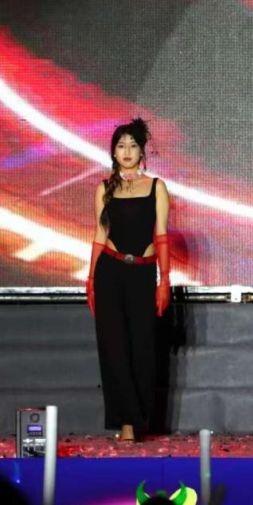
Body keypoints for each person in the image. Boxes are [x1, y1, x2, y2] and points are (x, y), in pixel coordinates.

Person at [84, 118, 171, 442]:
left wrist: (164, 280)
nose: (127, 151)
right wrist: (90, 279)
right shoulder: (103, 188)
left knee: (142, 345)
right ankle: (126, 425)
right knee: (114, 347)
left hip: (143, 272)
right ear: (113, 152)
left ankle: (140, 418)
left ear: (142, 151)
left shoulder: (156, 186)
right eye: (121, 146)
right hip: (110, 271)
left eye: (133, 145)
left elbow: (161, 236)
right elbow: (99, 235)